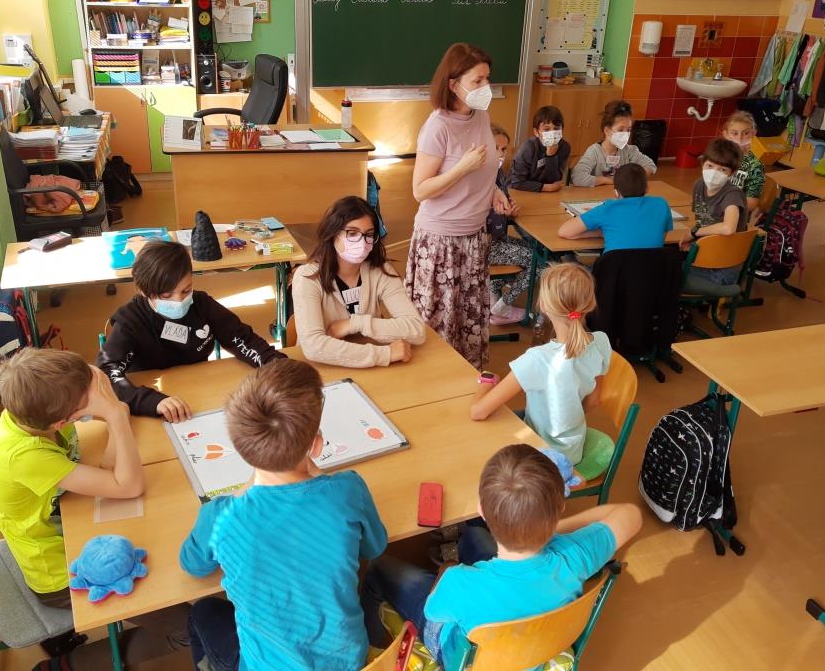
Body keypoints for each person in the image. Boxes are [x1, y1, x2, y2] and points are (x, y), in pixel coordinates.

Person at [0, 348, 188, 670]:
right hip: (60, 573)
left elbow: (97, 381)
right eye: (84, 407)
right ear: (62, 421)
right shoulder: (24, 455)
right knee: (187, 626)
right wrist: (115, 415)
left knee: (166, 538)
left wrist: (111, 406)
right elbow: (129, 486)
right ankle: (68, 665)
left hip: (73, 529)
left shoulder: (33, 407)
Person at [179, 358, 388, 671]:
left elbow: (192, 565)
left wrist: (242, 491)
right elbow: (374, 547)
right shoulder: (348, 490)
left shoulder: (220, 517)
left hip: (264, 665)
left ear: (241, 448)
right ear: (316, 446)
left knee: (203, 611)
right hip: (347, 662)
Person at [362, 444, 641, 671]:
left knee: (378, 567)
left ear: (481, 510)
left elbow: (432, 611)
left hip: (460, 658)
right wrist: (552, 530)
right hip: (533, 652)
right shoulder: (573, 556)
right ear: (560, 509)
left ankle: (372, 649)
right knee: (474, 538)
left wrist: (446, 572)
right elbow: (631, 514)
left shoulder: (457, 582)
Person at [405, 42, 517, 368]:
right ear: (454, 85)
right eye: (477, 81)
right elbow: (420, 190)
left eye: (487, 79)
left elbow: (485, 166)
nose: (486, 87)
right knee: (439, 323)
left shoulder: (481, 116)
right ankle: (436, 383)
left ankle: (467, 381)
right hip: (440, 242)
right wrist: (461, 169)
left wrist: (494, 191)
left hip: (474, 237)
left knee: (468, 320)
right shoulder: (437, 127)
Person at [97, 240, 284, 421]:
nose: (179, 301)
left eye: (186, 290)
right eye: (166, 295)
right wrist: (150, 401)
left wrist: (275, 363)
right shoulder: (131, 321)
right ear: (144, 291)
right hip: (157, 402)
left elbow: (241, 338)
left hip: (199, 393)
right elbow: (105, 373)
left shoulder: (201, 304)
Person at [470, 263, 611, 474]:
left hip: (538, 460)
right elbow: (594, 401)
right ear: (590, 304)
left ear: (543, 306)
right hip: (573, 452)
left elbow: (478, 412)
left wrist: (486, 383)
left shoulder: (537, 359)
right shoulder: (601, 342)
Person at [292, 196, 426, 367]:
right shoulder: (308, 277)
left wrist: (355, 324)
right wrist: (385, 354)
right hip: (323, 369)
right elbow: (313, 346)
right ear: (333, 234)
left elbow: (416, 330)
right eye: (352, 233)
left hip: (368, 367)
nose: (362, 242)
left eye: (368, 234)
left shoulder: (380, 271)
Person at [558, 163, 673, 253]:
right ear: (647, 188)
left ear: (616, 193)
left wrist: (601, 232)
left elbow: (564, 232)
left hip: (614, 275)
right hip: (653, 274)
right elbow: (659, 239)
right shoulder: (662, 204)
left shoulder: (608, 209)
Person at [683, 137, 749, 286]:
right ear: (702, 163)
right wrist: (694, 241)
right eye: (710, 166)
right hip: (705, 253)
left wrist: (694, 233)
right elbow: (703, 220)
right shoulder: (699, 185)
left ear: (732, 173)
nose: (714, 173)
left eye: (722, 169)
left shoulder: (732, 194)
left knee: (666, 271)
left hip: (722, 268)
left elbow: (728, 228)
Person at [487, 123, 534, 325]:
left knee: (536, 250)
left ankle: (494, 295)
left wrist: (510, 211)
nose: (500, 153)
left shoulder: (497, 173)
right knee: (539, 262)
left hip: (497, 240)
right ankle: (502, 306)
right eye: (495, 148)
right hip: (486, 246)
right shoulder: (478, 178)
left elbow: (503, 202)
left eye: (504, 149)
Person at [570, 100, 657, 187]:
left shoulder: (630, 150)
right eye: (620, 130)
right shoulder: (594, 152)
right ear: (607, 131)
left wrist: (634, 178)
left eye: (628, 130)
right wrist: (606, 180)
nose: (626, 134)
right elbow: (577, 177)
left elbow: (650, 165)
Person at [505, 105, 570, 193]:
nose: (552, 132)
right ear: (536, 132)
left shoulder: (564, 147)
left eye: (556, 128)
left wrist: (551, 156)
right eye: (547, 129)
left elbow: (554, 180)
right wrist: (548, 187)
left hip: (545, 194)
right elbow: (517, 182)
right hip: (518, 192)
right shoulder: (528, 147)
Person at [722, 110, 765, 218]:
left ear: (753, 134)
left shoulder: (755, 166)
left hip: (735, 217)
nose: (739, 138)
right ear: (726, 134)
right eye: (734, 133)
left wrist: (723, 208)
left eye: (745, 133)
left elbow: (751, 204)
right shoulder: (719, 157)